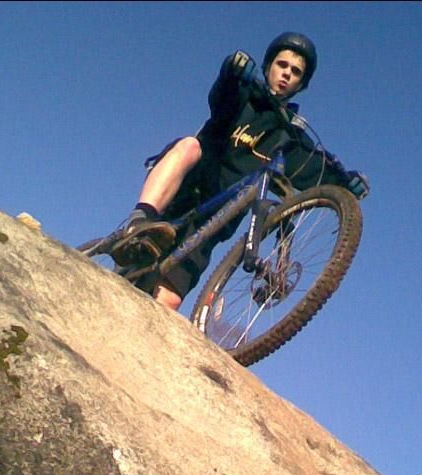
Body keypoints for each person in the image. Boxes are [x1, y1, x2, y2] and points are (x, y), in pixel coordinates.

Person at [112, 32, 369, 311]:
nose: (286, 74)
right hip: (186, 188)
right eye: (282, 65)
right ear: (269, 65)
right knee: (189, 146)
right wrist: (232, 69)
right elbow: (222, 94)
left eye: (295, 72)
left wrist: (345, 183)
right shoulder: (244, 95)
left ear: (300, 84)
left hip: (210, 227)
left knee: (169, 301)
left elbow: (314, 171)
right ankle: (140, 220)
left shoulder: (290, 137)